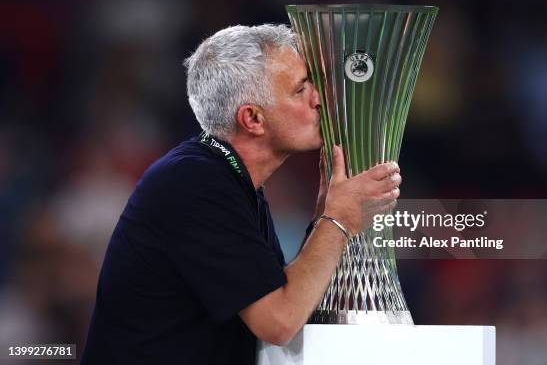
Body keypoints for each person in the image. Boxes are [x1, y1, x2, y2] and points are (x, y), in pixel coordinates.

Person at [81, 24, 401, 364]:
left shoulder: (227, 180)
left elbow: (291, 303)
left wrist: (327, 216)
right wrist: (337, 220)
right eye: (299, 89)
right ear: (252, 118)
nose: (319, 98)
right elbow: (278, 323)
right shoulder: (193, 183)